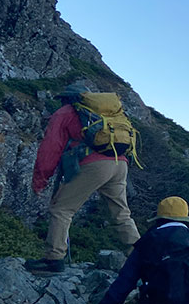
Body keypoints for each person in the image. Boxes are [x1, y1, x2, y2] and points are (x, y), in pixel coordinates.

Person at [26, 82, 140, 273]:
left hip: (95, 164)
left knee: (61, 209)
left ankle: (53, 258)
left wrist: (40, 179)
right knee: (121, 214)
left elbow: (51, 148)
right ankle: (141, 256)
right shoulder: (107, 113)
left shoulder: (65, 113)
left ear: (68, 99)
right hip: (120, 163)